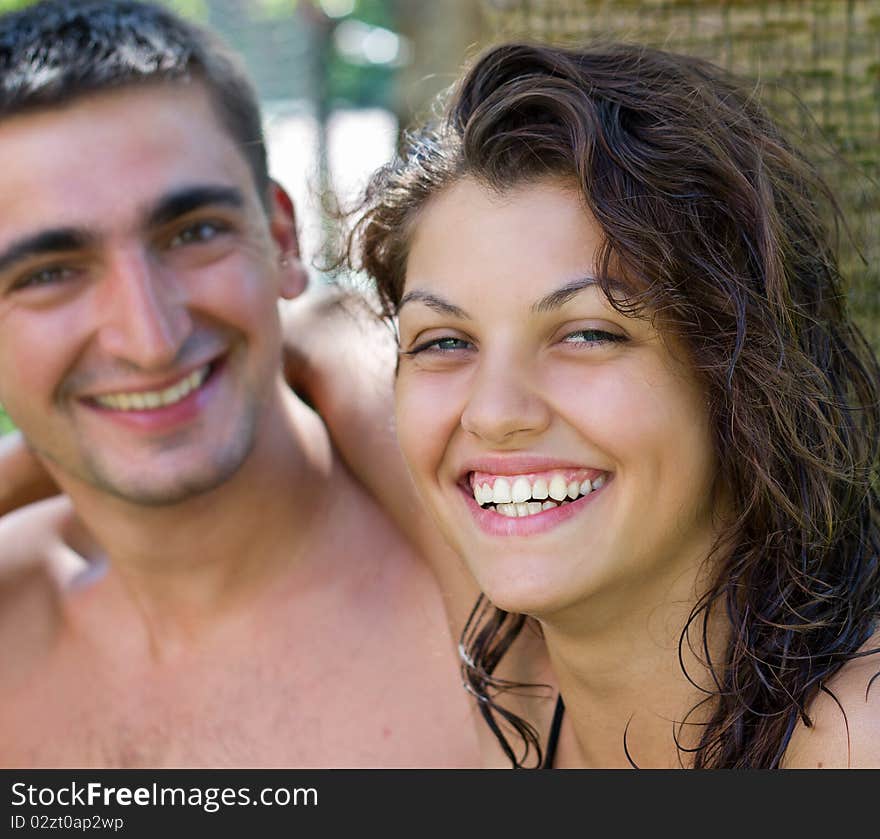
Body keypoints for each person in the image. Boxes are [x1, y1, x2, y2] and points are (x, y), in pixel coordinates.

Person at [333, 41, 880, 768]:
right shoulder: (523, 685)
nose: (494, 414)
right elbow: (341, 359)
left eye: (589, 332)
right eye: (443, 342)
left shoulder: (852, 742)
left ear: (741, 374)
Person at [0, 0, 489, 769]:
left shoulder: (501, 600)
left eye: (193, 232)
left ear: (284, 240)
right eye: (51, 272)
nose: (150, 339)